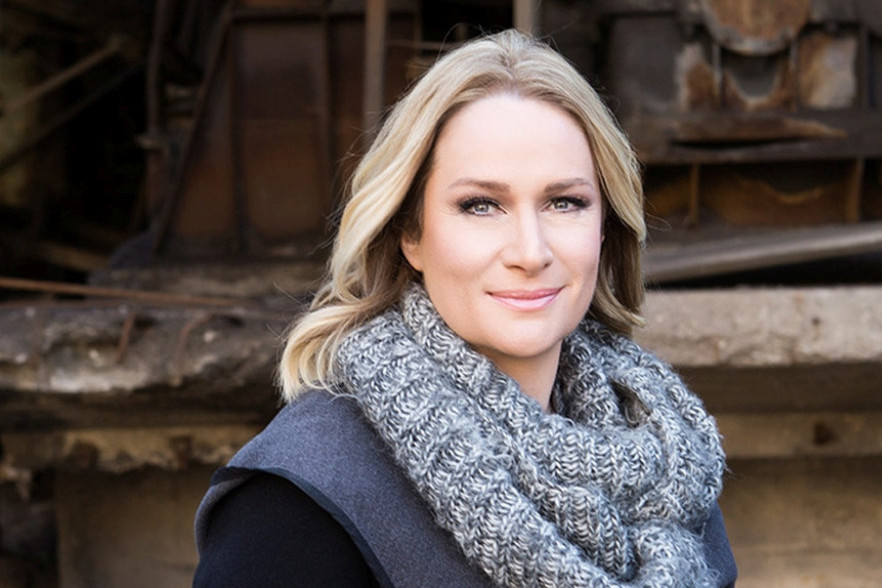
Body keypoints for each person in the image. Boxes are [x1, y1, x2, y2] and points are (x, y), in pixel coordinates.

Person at [193, 29, 737, 588]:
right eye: (481, 206)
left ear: (605, 227)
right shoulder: (302, 501)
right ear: (410, 233)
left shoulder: (664, 458)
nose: (531, 252)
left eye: (564, 202)